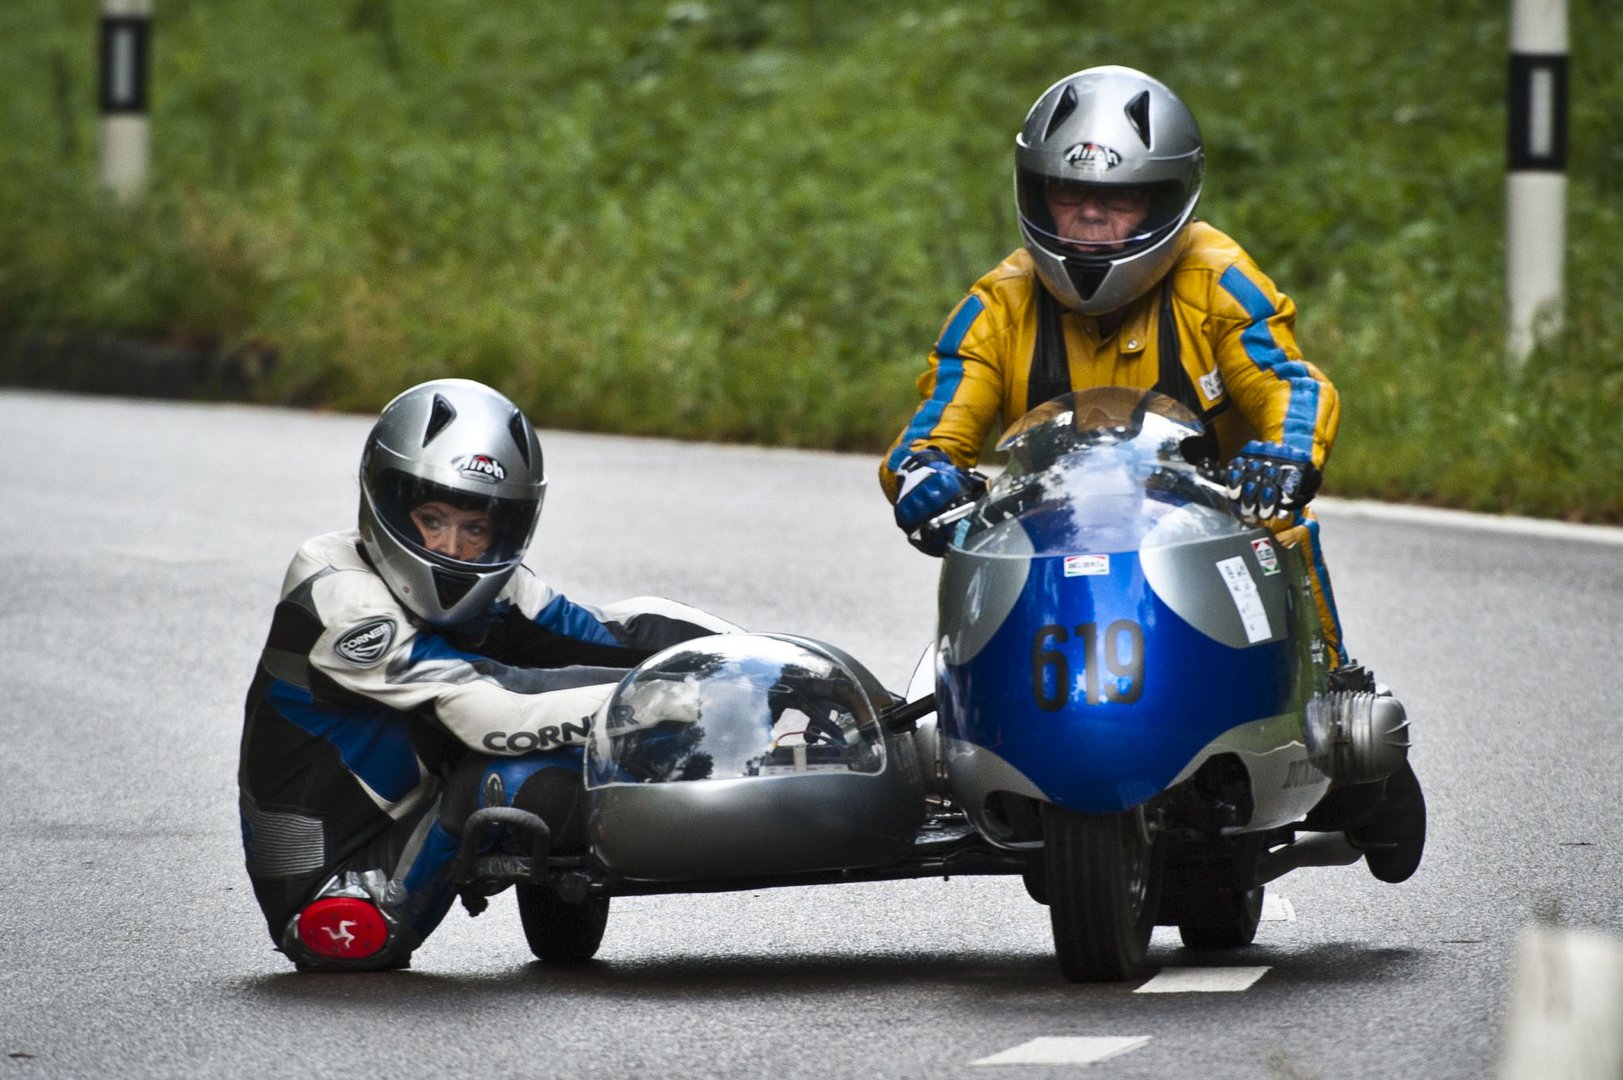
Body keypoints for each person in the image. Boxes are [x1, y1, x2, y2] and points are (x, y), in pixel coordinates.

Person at [878, 65, 1424, 882]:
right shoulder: (996, 303)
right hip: (1052, 540)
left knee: (1284, 533)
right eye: (1069, 195)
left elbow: (1293, 385)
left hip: (1217, 527)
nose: (1091, 215)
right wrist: (919, 477)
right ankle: (987, 738)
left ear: (1167, 200)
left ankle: (1331, 714)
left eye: (1120, 199)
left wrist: (1286, 456)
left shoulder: (1216, 278)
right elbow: (929, 431)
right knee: (970, 551)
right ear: (1034, 193)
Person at [238, 378, 739, 970]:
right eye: (432, 518)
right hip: (333, 882)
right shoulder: (339, 597)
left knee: (603, 685)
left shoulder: (495, 582)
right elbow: (490, 713)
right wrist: (662, 701)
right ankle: (398, 897)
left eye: (475, 529)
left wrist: (755, 665)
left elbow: (610, 636)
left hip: (415, 806)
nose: (453, 546)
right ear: (388, 501)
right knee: (530, 775)